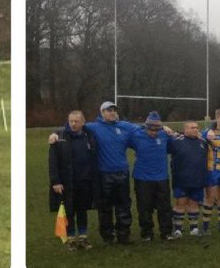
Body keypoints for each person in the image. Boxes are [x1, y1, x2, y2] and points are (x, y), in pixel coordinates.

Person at [82, 101, 140, 245]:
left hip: (122, 173)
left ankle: (123, 235)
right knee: (105, 207)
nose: (112, 113)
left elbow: (145, 129)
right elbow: (73, 126)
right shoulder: (93, 127)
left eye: (114, 110)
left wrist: (163, 127)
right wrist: (55, 134)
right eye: (109, 110)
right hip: (103, 174)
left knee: (123, 206)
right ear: (102, 113)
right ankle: (107, 236)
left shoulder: (125, 126)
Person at [49, 110, 98, 250]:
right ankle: (70, 239)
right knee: (69, 211)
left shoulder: (89, 136)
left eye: (76, 121)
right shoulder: (59, 138)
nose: (73, 124)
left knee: (82, 210)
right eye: (71, 121)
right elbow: (53, 162)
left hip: (85, 181)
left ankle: (83, 237)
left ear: (83, 122)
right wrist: (56, 181)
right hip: (67, 182)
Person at [128, 112, 174, 242]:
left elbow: (173, 146)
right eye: (151, 130)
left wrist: (165, 128)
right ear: (146, 127)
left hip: (161, 177)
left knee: (164, 207)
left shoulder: (165, 135)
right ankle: (147, 233)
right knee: (144, 207)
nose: (153, 133)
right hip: (142, 178)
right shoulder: (136, 136)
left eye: (156, 130)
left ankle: (166, 232)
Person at [167, 120, 210, 237]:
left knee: (194, 204)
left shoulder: (203, 142)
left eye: (197, 127)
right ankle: (177, 229)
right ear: (185, 130)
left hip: (198, 179)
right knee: (180, 203)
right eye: (192, 127)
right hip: (181, 180)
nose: (196, 129)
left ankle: (194, 229)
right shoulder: (176, 141)